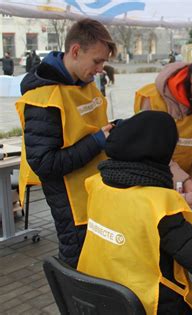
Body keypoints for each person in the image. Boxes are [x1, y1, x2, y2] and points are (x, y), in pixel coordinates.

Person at [78, 111, 192, 314]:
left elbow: (128, 211)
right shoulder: (159, 204)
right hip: (148, 303)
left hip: (101, 296)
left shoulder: (97, 184)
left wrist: (181, 200)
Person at [15, 18, 117, 268]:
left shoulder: (86, 84)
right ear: (75, 51)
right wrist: (97, 141)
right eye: (97, 61)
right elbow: (45, 164)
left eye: (103, 62)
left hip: (97, 191)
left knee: (99, 265)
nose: (100, 68)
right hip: (72, 205)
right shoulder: (42, 97)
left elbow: (92, 128)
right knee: (78, 266)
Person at [134, 53, 192, 194]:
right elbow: (152, 151)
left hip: (182, 182)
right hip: (151, 184)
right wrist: (183, 181)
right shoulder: (153, 100)